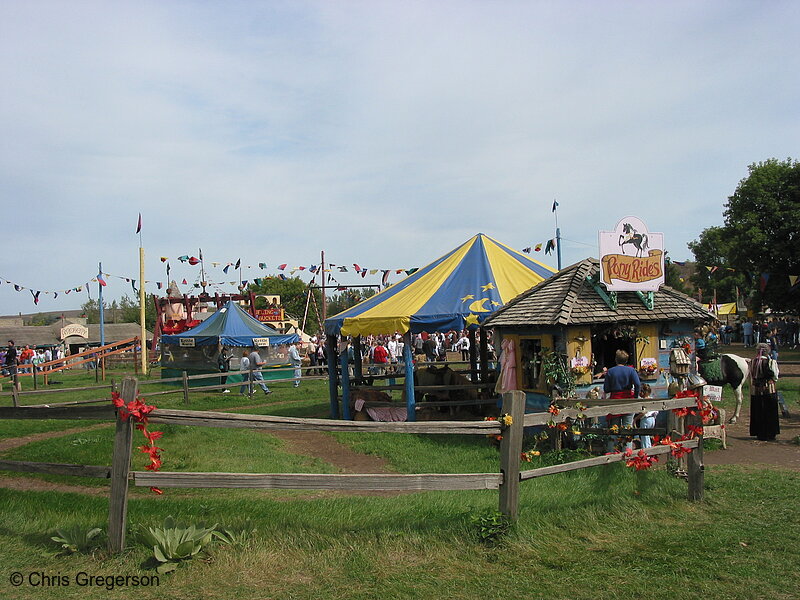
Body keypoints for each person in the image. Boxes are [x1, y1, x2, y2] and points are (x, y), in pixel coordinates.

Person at [603, 349, 641, 451]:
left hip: (615, 401)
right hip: (628, 400)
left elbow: (606, 389)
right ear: (626, 360)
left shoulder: (610, 371)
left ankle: (611, 453)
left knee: (614, 428)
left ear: (616, 359)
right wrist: (635, 397)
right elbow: (637, 384)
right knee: (627, 428)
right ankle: (627, 453)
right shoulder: (631, 370)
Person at [749, 343, 780, 441]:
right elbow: (775, 375)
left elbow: (751, 374)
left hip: (756, 390)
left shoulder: (752, 362)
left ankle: (759, 433)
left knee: (758, 410)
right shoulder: (771, 362)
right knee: (770, 410)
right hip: (769, 389)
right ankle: (770, 433)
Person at [635, 383, 657, 449]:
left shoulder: (643, 401)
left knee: (644, 438)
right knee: (648, 437)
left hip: (645, 420)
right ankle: (649, 450)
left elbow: (643, 413)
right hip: (652, 419)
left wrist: (635, 419)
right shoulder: (652, 399)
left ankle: (646, 453)